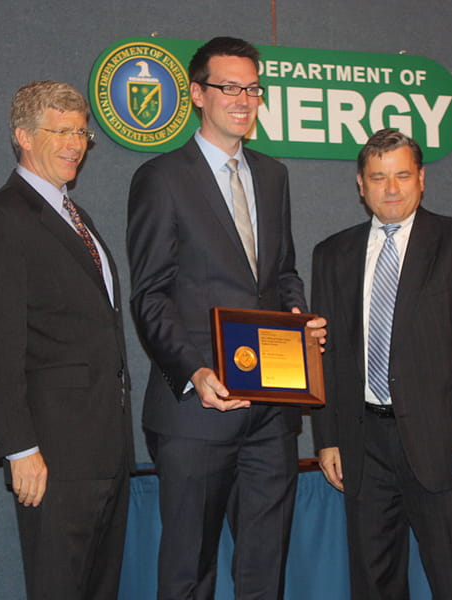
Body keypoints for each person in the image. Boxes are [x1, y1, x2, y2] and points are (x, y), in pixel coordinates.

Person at [127, 37, 325, 599]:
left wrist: (296, 321)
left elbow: (282, 272)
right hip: (197, 411)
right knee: (189, 572)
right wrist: (195, 373)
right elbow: (150, 295)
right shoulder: (162, 178)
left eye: (253, 88)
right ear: (196, 94)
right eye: (228, 87)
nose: (243, 99)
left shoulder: (273, 174)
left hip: (271, 414)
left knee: (265, 571)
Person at [311, 128, 452, 600]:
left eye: (402, 175)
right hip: (363, 448)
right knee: (373, 585)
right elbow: (327, 353)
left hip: (445, 445)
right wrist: (328, 437)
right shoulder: (332, 253)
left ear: (422, 179)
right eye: (378, 177)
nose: (392, 188)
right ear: (361, 184)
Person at [0, 80, 134, 600]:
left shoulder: (75, 215)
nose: (74, 143)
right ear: (22, 135)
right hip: (53, 457)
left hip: (106, 449)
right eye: (59, 131)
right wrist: (20, 448)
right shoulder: (1, 220)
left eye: (81, 132)